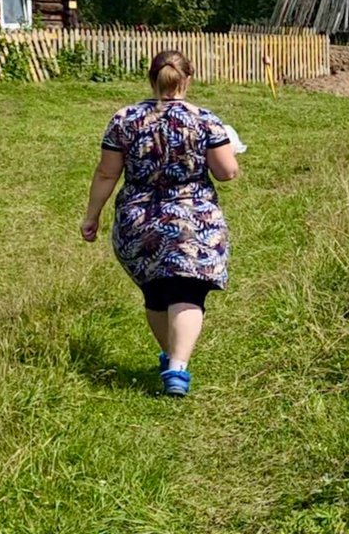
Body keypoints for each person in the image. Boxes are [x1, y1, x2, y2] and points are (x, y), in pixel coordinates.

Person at [81, 51, 241, 397]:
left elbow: (108, 172)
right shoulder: (206, 120)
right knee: (188, 290)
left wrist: (91, 216)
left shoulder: (124, 119)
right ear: (188, 79)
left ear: (151, 78)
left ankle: (171, 356)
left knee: (155, 292)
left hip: (138, 220)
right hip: (193, 220)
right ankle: (178, 368)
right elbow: (226, 173)